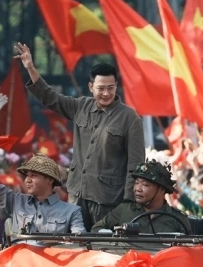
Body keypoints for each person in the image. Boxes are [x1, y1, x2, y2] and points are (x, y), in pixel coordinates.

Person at [17, 43, 144, 229]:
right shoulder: (81, 106)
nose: (106, 93)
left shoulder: (129, 118)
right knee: (75, 247)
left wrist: (128, 202)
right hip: (77, 196)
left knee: (104, 250)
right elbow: (50, 97)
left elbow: (136, 164)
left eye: (111, 87)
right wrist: (30, 68)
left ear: (117, 86)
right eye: (101, 88)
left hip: (109, 201)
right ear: (91, 87)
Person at [0, 153, 85, 237]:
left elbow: (79, 242)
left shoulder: (72, 212)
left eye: (34, 175)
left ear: (50, 180)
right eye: (27, 176)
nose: (27, 180)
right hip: (19, 265)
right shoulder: (16, 201)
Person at [92, 160, 192, 234]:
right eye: (136, 183)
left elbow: (188, 252)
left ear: (161, 190)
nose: (138, 189)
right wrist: (113, 236)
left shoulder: (177, 219)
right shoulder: (124, 210)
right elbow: (96, 228)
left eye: (145, 185)